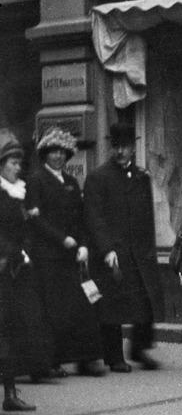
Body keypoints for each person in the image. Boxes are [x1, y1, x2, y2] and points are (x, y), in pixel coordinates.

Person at [25, 126, 106, 377]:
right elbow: (36, 220)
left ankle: (84, 359)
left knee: (80, 306)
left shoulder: (71, 182)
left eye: (62, 152)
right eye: (53, 152)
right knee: (52, 310)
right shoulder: (36, 180)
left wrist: (82, 244)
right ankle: (51, 362)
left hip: (71, 257)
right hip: (47, 257)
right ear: (45, 154)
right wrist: (63, 240)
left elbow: (80, 218)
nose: (58, 156)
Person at [84, 123, 164, 372]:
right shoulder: (97, 177)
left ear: (133, 147)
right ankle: (114, 357)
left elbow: (147, 217)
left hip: (139, 252)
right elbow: (94, 218)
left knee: (144, 300)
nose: (120, 152)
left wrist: (150, 249)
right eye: (116, 147)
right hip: (112, 253)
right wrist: (106, 249)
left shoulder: (141, 177)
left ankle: (139, 350)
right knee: (111, 307)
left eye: (125, 147)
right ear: (111, 147)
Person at [0, 133, 51, 411]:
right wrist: (12, 251)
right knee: (6, 331)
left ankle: (10, 392)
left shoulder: (17, 192)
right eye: (12, 163)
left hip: (17, 272)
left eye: (19, 162)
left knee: (14, 330)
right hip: (5, 271)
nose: (17, 167)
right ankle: (9, 395)